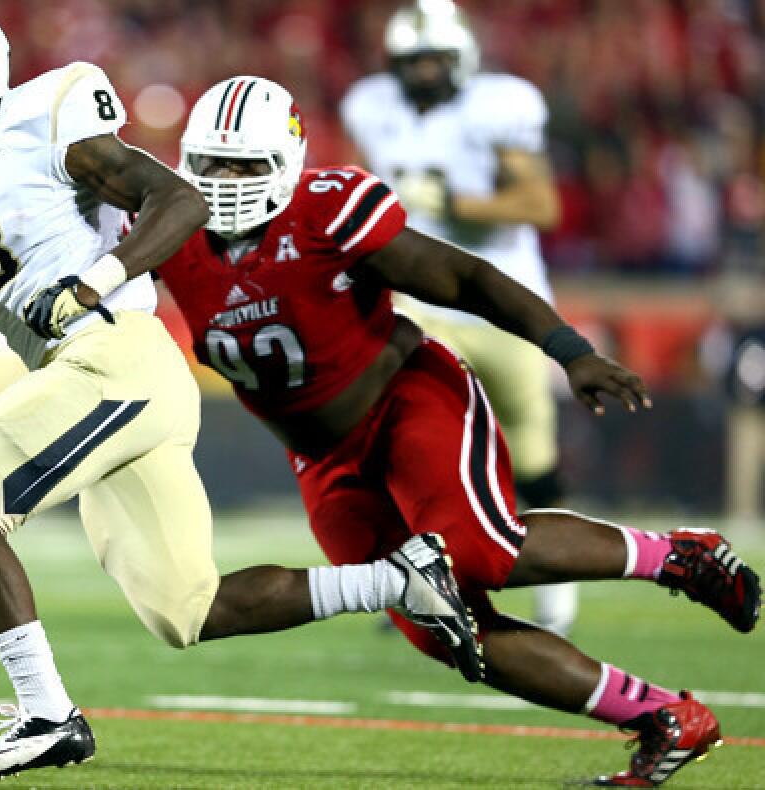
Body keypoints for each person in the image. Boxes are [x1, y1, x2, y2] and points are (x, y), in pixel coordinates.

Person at [0, 2, 481, 783]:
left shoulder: (49, 109)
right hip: (89, 380)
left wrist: (94, 278)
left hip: (116, 357)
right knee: (186, 610)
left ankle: (46, 715)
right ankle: (402, 577)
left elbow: (181, 200)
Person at [155, 74, 761, 788]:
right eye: (210, 163)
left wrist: (570, 350)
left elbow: (465, 278)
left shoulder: (326, 212)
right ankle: (663, 717)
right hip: (322, 459)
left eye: (245, 165)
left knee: (475, 554)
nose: (224, 183)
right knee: (439, 625)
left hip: (408, 399)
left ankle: (676, 556)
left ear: (286, 161)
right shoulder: (167, 229)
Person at [340, 0, 578, 636]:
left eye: (434, 59)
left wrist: (456, 201)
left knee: (530, 450)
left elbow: (542, 204)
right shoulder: (371, 105)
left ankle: (558, 597)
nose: (422, 72)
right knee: (409, 436)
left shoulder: (500, 105)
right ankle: (421, 581)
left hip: (505, 297)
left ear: (461, 59)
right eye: (411, 61)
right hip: (424, 300)